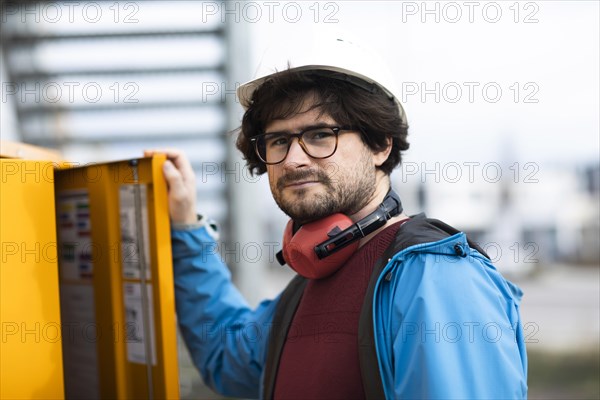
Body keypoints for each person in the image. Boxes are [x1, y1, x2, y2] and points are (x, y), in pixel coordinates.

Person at [146, 36, 527, 399]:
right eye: (278, 141)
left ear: (380, 144)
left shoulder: (434, 276)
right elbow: (227, 356)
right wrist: (186, 228)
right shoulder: (310, 281)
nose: (294, 159)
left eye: (319, 135)